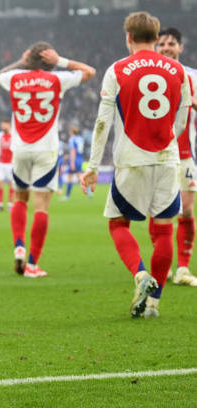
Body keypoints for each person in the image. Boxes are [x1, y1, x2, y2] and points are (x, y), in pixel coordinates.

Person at [80, 12, 191, 318]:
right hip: (167, 158)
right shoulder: (178, 71)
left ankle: (141, 274)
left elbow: (102, 122)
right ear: (156, 38)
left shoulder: (117, 70)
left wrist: (92, 167)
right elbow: (182, 119)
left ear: (128, 37)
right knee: (164, 231)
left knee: (118, 224)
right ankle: (153, 304)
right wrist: (166, 139)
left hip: (131, 159)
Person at [0, 42, 95, 278]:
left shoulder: (14, 78)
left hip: (20, 148)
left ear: (28, 59)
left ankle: (19, 246)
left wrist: (21, 62)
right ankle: (32, 264)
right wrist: (60, 61)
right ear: (49, 61)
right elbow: (89, 71)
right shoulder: (57, 79)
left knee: (20, 198)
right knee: (41, 206)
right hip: (46, 149)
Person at [153, 27, 197, 287]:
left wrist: (191, 99)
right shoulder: (149, 75)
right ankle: (163, 264)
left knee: (187, 210)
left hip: (184, 154)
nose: (166, 48)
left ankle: (183, 268)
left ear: (180, 47)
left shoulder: (192, 76)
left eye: (171, 43)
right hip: (156, 153)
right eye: (161, 44)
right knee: (158, 211)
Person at [0, 119, 14, 211]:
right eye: (1, 125)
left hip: (11, 164)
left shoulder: (14, 135)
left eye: (4, 125)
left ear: (9, 125)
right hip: (1, 163)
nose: (2, 127)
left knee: (11, 184)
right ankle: (0, 204)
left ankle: (10, 204)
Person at [62, 125, 85, 201]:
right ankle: (89, 192)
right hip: (80, 159)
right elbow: (79, 150)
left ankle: (67, 196)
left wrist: (72, 162)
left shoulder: (72, 139)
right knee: (80, 177)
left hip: (74, 160)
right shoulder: (80, 139)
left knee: (69, 177)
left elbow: (73, 150)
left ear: (71, 131)